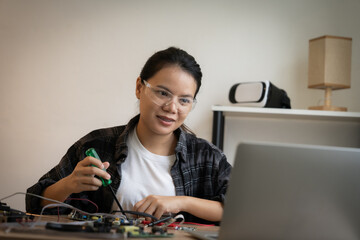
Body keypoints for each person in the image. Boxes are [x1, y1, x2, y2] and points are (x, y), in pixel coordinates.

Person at [26, 47, 232, 224]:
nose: (172, 107)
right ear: (139, 88)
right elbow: (34, 203)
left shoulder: (207, 156)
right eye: (163, 93)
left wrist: (181, 202)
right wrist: (69, 183)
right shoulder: (98, 144)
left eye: (184, 100)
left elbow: (239, 209)